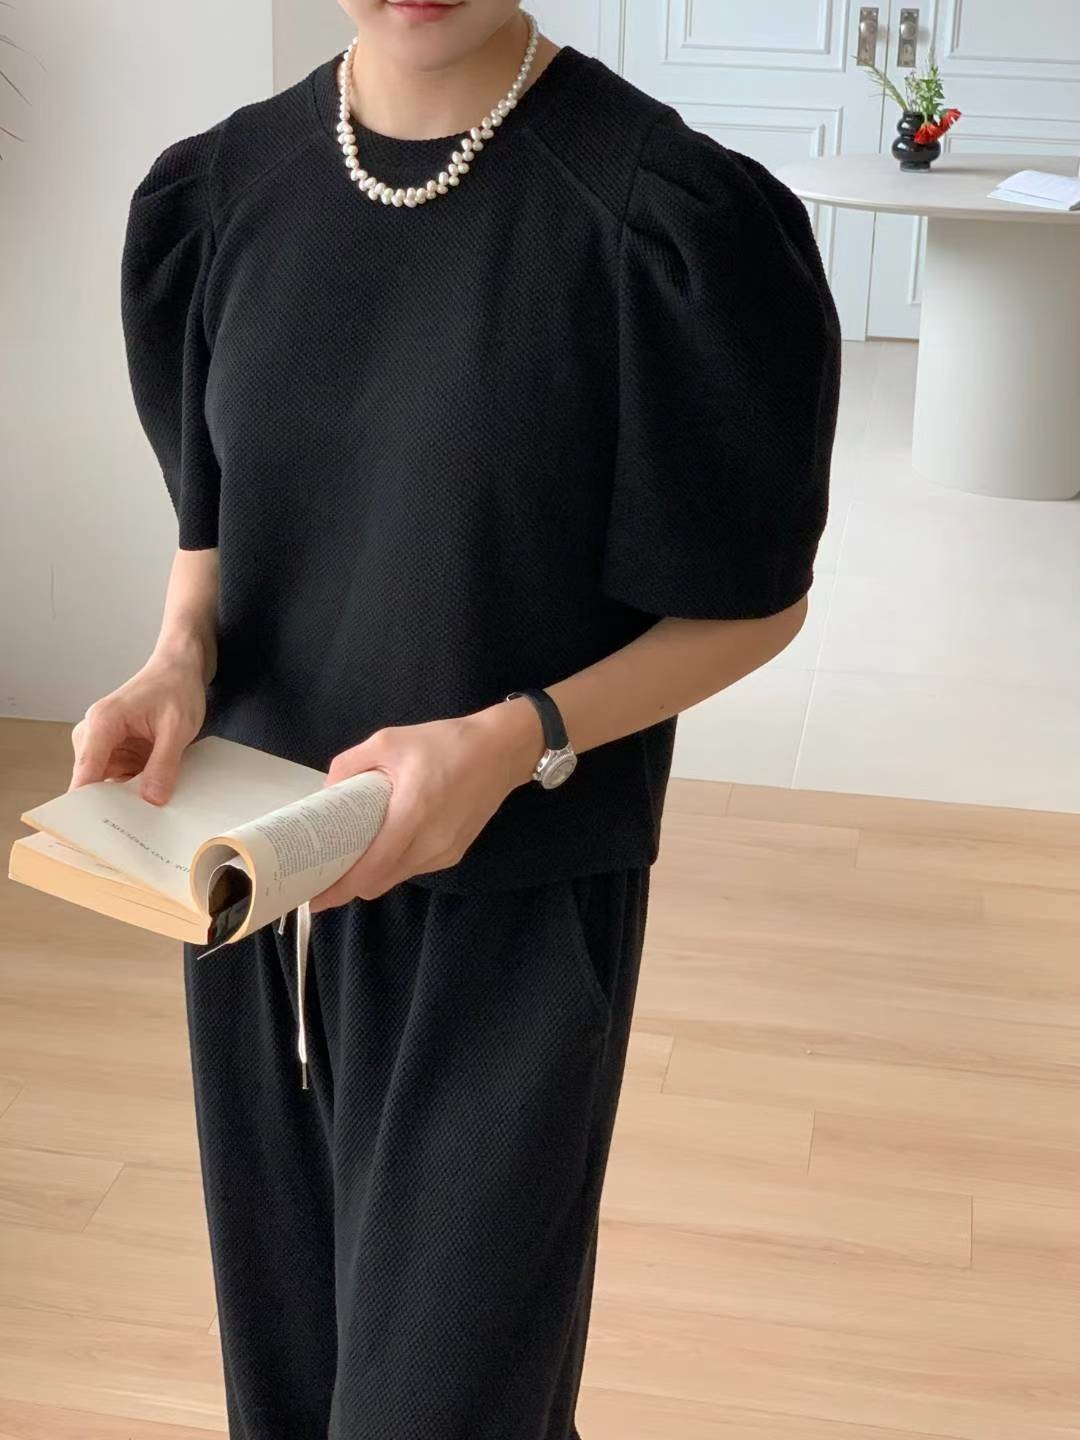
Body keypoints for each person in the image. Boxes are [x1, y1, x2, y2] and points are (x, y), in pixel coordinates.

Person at [69, 3, 842, 1436]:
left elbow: (756, 605)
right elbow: (214, 531)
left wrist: (511, 737)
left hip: (512, 911)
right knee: (287, 1390)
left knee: (447, 1401)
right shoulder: (216, 199)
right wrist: (175, 661)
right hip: (254, 895)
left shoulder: (661, 221)